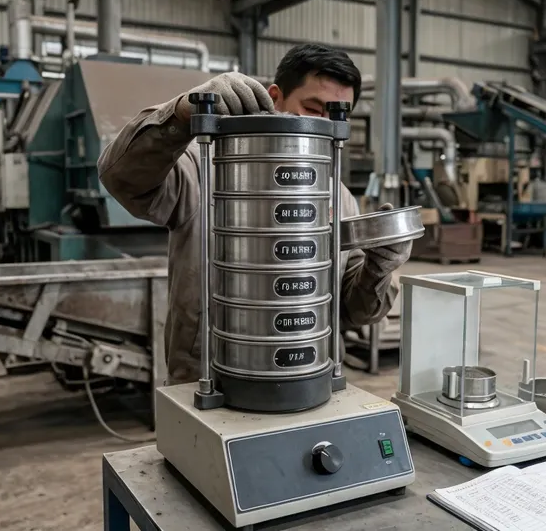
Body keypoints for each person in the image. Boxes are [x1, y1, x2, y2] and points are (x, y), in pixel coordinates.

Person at [98, 43, 412, 384]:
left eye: (338, 114)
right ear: (275, 98)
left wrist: (377, 268)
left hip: (310, 379)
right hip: (212, 383)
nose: (325, 126)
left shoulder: (340, 197)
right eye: (312, 108)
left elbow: (352, 313)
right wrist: (180, 113)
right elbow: (121, 177)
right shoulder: (204, 171)